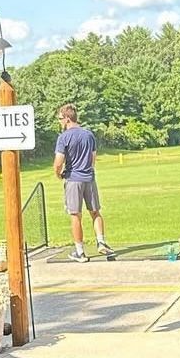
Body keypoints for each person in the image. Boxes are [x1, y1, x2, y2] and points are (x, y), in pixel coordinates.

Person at [54, 104, 114, 263]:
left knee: (75, 215)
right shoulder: (89, 135)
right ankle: (101, 242)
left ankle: (80, 252)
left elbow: (59, 162)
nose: (59, 122)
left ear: (67, 118)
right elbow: (93, 159)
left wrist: (58, 174)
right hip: (89, 178)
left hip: (73, 179)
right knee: (95, 211)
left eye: (60, 119)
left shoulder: (64, 137)